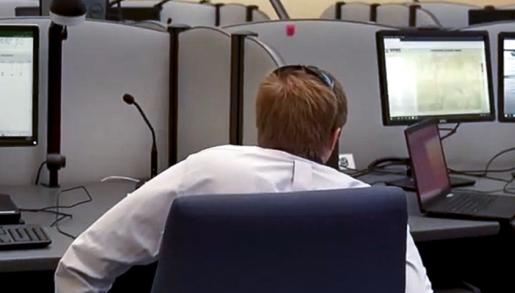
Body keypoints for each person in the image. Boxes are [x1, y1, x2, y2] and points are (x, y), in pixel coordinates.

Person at [54, 66, 433, 293]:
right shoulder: (373, 208)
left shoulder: (207, 171)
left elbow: (81, 266)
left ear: (259, 127)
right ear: (335, 138)